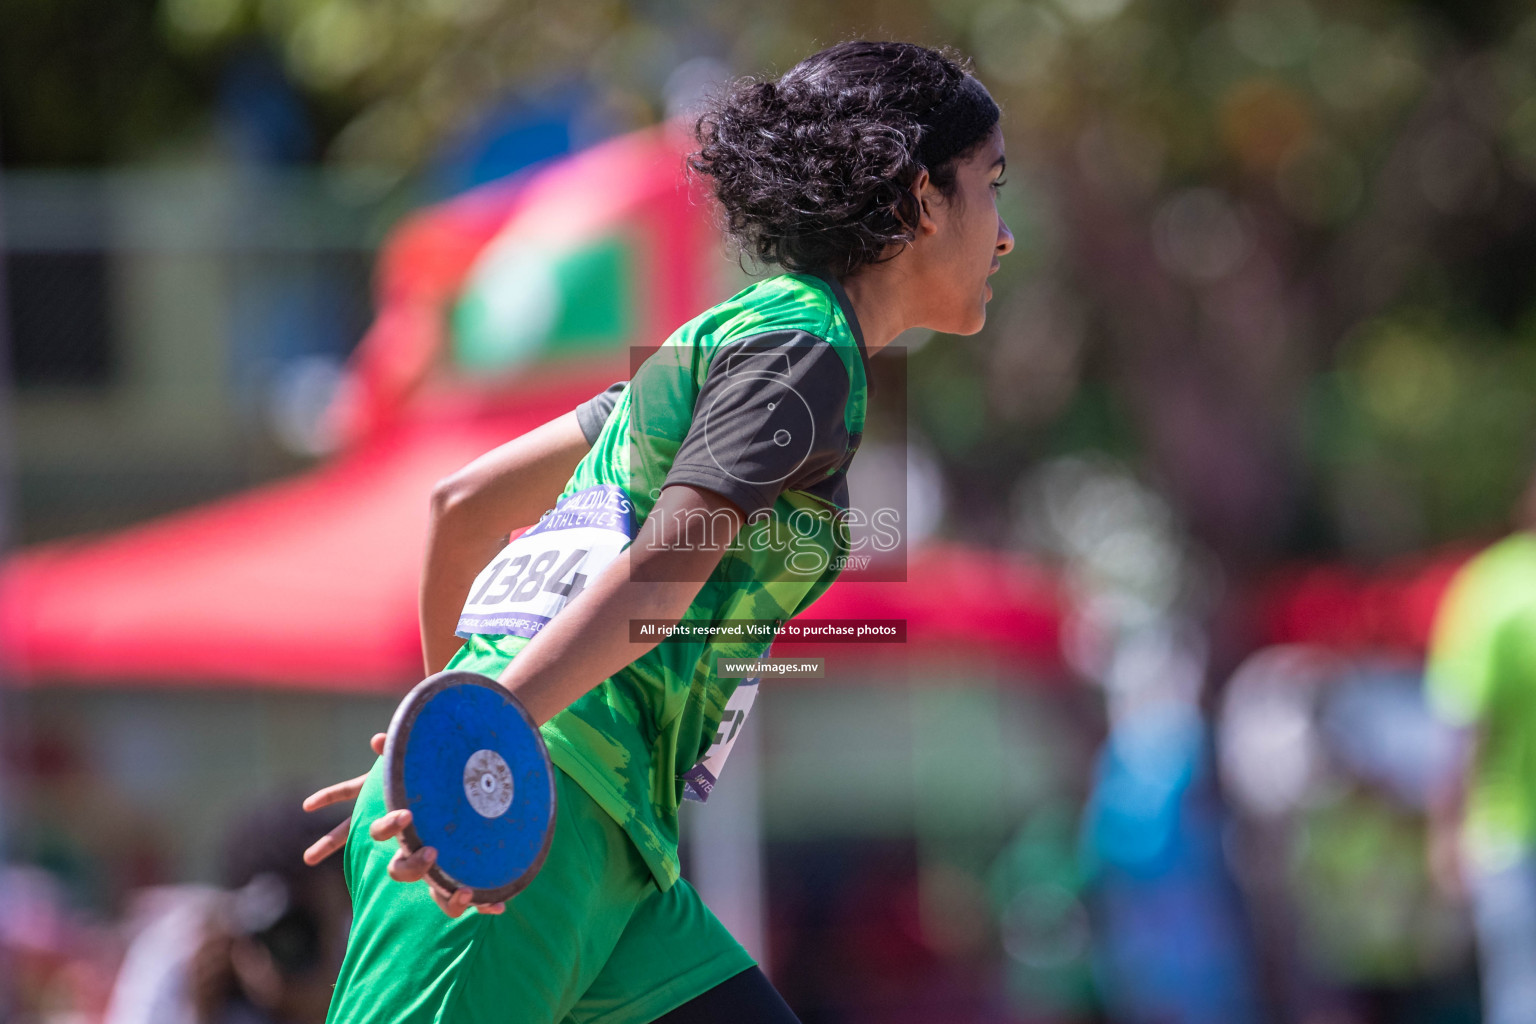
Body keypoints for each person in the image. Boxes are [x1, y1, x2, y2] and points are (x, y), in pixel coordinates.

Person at [303, 39, 1014, 1024]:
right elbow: (656, 572)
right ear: (924, 201)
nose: (1007, 234)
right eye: (993, 186)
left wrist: (461, 738)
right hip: (545, 812)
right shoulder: (803, 353)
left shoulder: (734, 336)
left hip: (609, 849)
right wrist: (473, 759)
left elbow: (461, 507)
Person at [1424, 470, 1536, 1024]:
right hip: (1511, 834)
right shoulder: (1495, 590)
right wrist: (1449, 829)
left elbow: (1460, 726)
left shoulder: (1489, 587)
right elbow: (1465, 725)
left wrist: (1445, 831)